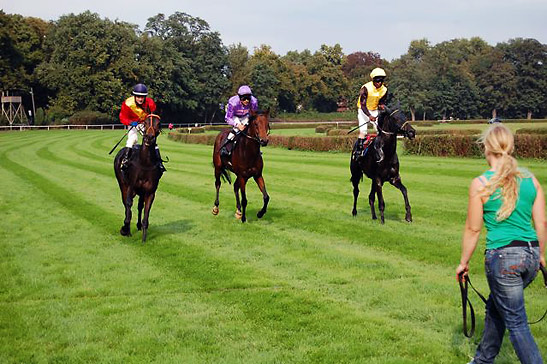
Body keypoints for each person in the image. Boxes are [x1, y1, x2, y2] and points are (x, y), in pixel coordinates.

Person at [456, 124, 546, 364]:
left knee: (517, 323)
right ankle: (483, 360)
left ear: (487, 148)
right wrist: (540, 256)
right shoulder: (531, 180)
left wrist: (463, 263)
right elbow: (542, 223)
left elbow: (473, 229)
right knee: (497, 308)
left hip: (504, 259)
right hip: (530, 255)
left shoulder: (480, 184)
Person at [119, 83, 166, 172]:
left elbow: (153, 115)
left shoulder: (150, 102)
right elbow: (122, 117)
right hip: (133, 124)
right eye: (138, 97)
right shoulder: (127, 104)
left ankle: (159, 162)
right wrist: (130, 122)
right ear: (134, 96)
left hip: (145, 123)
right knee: (132, 139)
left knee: (152, 140)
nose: (140, 99)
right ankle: (125, 160)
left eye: (142, 97)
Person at [353, 67, 388, 162]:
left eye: (381, 81)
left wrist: (382, 107)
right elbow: (363, 105)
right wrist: (369, 116)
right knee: (363, 131)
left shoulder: (384, 90)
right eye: (377, 81)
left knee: (380, 131)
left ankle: (381, 151)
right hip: (363, 110)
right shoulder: (365, 88)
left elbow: (381, 102)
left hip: (374, 110)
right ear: (373, 80)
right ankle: (358, 152)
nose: (379, 83)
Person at [219, 85, 258, 157]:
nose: (247, 100)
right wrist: (237, 125)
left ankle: (256, 150)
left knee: (251, 131)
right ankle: (226, 147)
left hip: (246, 116)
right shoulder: (233, 103)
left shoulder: (254, 102)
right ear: (240, 97)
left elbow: (254, 115)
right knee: (237, 130)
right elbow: (228, 118)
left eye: (248, 98)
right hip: (234, 116)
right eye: (244, 98)